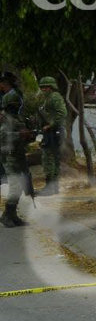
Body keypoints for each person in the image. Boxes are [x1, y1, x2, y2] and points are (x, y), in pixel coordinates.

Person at [1, 72, 30, 227]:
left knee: (20, 186)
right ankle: (7, 215)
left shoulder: (16, 118)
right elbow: (4, 137)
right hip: (9, 156)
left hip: (17, 155)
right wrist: (19, 134)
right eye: (14, 106)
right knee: (15, 186)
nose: (17, 107)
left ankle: (12, 215)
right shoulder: (5, 119)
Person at [36, 76, 67, 196]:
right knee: (52, 159)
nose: (43, 89)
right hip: (51, 132)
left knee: (49, 159)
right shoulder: (49, 98)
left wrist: (50, 125)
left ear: (51, 87)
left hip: (54, 132)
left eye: (45, 87)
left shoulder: (54, 97)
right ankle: (53, 187)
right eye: (42, 87)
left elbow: (62, 113)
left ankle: (51, 188)